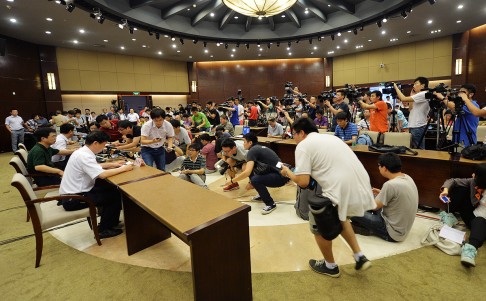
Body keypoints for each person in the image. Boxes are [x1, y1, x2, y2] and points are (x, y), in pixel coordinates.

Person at [280, 117, 375, 277]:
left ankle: (330, 266)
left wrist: (287, 172)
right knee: (341, 216)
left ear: (301, 133)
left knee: (319, 225)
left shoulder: (303, 146)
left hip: (338, 186)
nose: (293, 137)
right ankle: (359, 256)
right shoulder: (331, 137)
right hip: (360, 183)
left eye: (293, 134)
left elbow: (303, 182)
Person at [59, 130, 134, 239]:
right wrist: (124, 168)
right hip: (73, 199)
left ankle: (111, 222)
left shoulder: (83, 152)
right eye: (103, 144)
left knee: (112, 189)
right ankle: (103, 230)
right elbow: (102, 175)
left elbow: (93, 166)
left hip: (74, 193)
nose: (104, 147)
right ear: (95, 143)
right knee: (113, 196)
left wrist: (113, 164)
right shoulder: (84, 156)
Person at [350, 153, 418, 242]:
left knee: (349, 209)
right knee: (373, 196)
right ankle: (363, 224)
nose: (378, 168)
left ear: (384, 168)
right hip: (402, 229)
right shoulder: (407, 177)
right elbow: (396, 195)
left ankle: (366, 227)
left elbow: (374, 207)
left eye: (379, 166)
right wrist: (381, 193)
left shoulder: (390, 185)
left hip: (392, 232)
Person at [225, 132, 288, 214]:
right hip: (280, 174)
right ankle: (262, 194)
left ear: (250, 142)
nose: (243, 144)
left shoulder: (252, 151)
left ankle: (270, 204)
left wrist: (232, 181)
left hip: (280, 177)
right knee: (253, 174)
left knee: (255, 180)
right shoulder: (258, 148)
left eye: (244, 142)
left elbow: (247, 172)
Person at [440, 164, 486, 267]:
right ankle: (450, 216)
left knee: (480, 221)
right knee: (460, 189)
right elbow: (452, 180)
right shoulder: (473, 182)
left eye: (476, 175)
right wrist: (445, 190)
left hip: (482, 223)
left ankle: (469, 251)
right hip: (473, 216)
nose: (473, 175)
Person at [393, 77, 430, 149]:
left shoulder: (424, 94)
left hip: (418, 126)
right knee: (415, 149)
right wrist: (412, 96)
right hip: (414, 126)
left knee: (420, 150)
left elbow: (403, 99)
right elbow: (410, 109)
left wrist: (396, 88)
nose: (413, 86)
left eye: (416, 84)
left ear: (423, 85)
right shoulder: (419, 95)